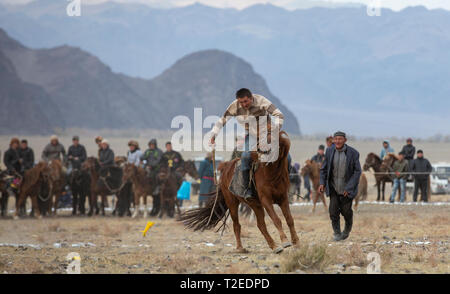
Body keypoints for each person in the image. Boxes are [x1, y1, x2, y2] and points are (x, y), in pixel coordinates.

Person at [209, 88, 284, 200]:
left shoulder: (261, 101)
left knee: (286, 156)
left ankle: (285, 183)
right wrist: (213, 134)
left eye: (246, 101)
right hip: (253, 136)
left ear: (251, 98)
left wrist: (274, 131)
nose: (244, 104)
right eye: (241, 102)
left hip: (268, 134)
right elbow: (222, 120)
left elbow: (279, 114)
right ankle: (246, 188)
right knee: (245, 157)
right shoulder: (234, 106)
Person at [319, 131, 361, 242]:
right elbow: (323, 169)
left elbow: (357, 172)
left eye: (340, 139)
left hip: (346, 189)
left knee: (346, 211)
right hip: (333, 188)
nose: (337, 141)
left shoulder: (353, 153)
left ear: (345, 140)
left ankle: (347, 229)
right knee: (333, 211)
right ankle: (337, 233)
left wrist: (349, 187)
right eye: (335, 139)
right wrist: (322, 183)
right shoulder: (329, 151)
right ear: (333, 140)